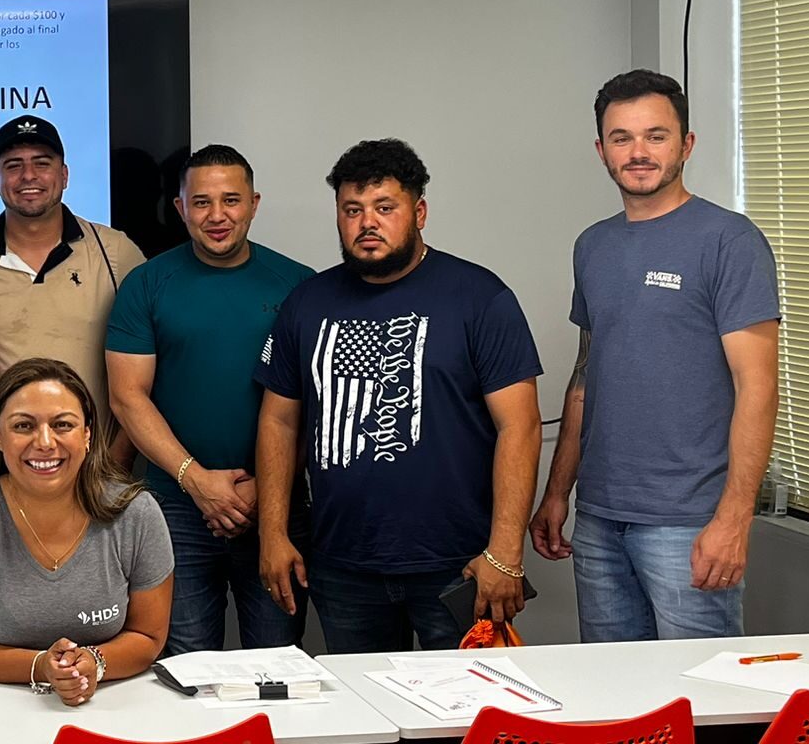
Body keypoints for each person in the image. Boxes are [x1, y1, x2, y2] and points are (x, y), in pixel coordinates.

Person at [255, 139, 542, 653]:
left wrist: (504, 551)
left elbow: (519, 426)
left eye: (385, 208)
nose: (368, 222)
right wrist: (273, 533)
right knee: (365, 724)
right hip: (343, 563)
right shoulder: (307, 302)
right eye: (352, 210)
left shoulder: (480, 298)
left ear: (419, 212)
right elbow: (279, 422)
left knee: (461, 722)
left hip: (456, 563)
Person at [529, 70, 780, 641]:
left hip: (690, 520)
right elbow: (584, 380)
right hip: (599, 518)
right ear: (601, 150)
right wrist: (557, 492)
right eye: (621, 137)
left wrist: (733, 520)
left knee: (702, 699)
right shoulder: (592, 245)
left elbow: (758, 388)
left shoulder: (729, 241)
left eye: (656, 135)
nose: (638, 152)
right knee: (619, 698)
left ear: (686, 144)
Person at [107, 144, 315, 653]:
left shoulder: (301, 287)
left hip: (275, 506)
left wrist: (264, 487)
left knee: (277, 664)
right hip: (174, 506)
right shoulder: (146, 285)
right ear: (179, 208)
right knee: (184, 665)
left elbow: (322, 406)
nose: (217, 216)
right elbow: (127, 397)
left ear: (254, 204)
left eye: (231, 200)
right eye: (201, 202)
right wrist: (197, 482)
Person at [0, 357, 173, 706]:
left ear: (87, 434)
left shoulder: (137, 513)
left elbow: (148, 635)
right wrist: (41, 667)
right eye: (23, 426)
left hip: (112, 704)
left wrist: (93, 663)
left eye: (63, 425)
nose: (45, 442)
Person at [0, 114, 145, 458]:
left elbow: (146, 376)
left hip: (95, 471)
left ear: (64, 175)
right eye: (13, 165)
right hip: (2, 474)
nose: (28, 176)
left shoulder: (117, 254)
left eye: (42, 163)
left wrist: (115, 466)